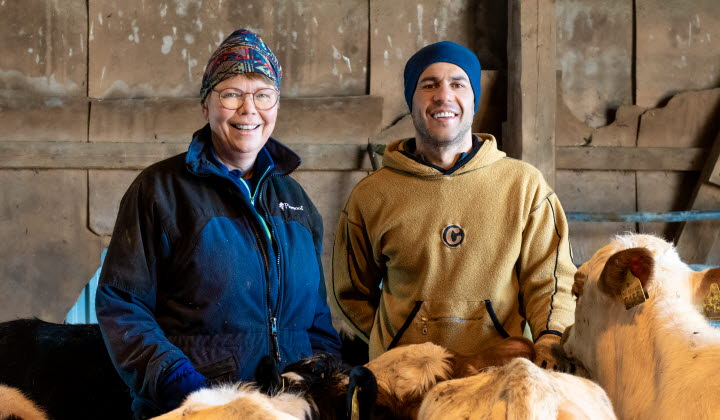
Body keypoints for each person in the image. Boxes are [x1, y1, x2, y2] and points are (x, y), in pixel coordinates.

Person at [96, 29, 341, 419]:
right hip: (195, 409)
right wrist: (186, 388)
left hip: (289, 410)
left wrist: (322, 384)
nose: (249, 109)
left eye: (263, 94)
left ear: (276, 105)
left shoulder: (297, 203)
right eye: (231, 94)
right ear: (206, 106)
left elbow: (316, 319)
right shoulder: (160, 191)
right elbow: (122, 305)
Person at [332, 41, 575, 369]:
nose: (443, 96)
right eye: (428, 84)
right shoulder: (372, 195)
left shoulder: (524, 186)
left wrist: (549, 339)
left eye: (458, 84)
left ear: (473, 98)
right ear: (412, 100)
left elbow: (550, 281)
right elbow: (351, 291)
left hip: (502, 375)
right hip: (407, 386)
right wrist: (393, 346)